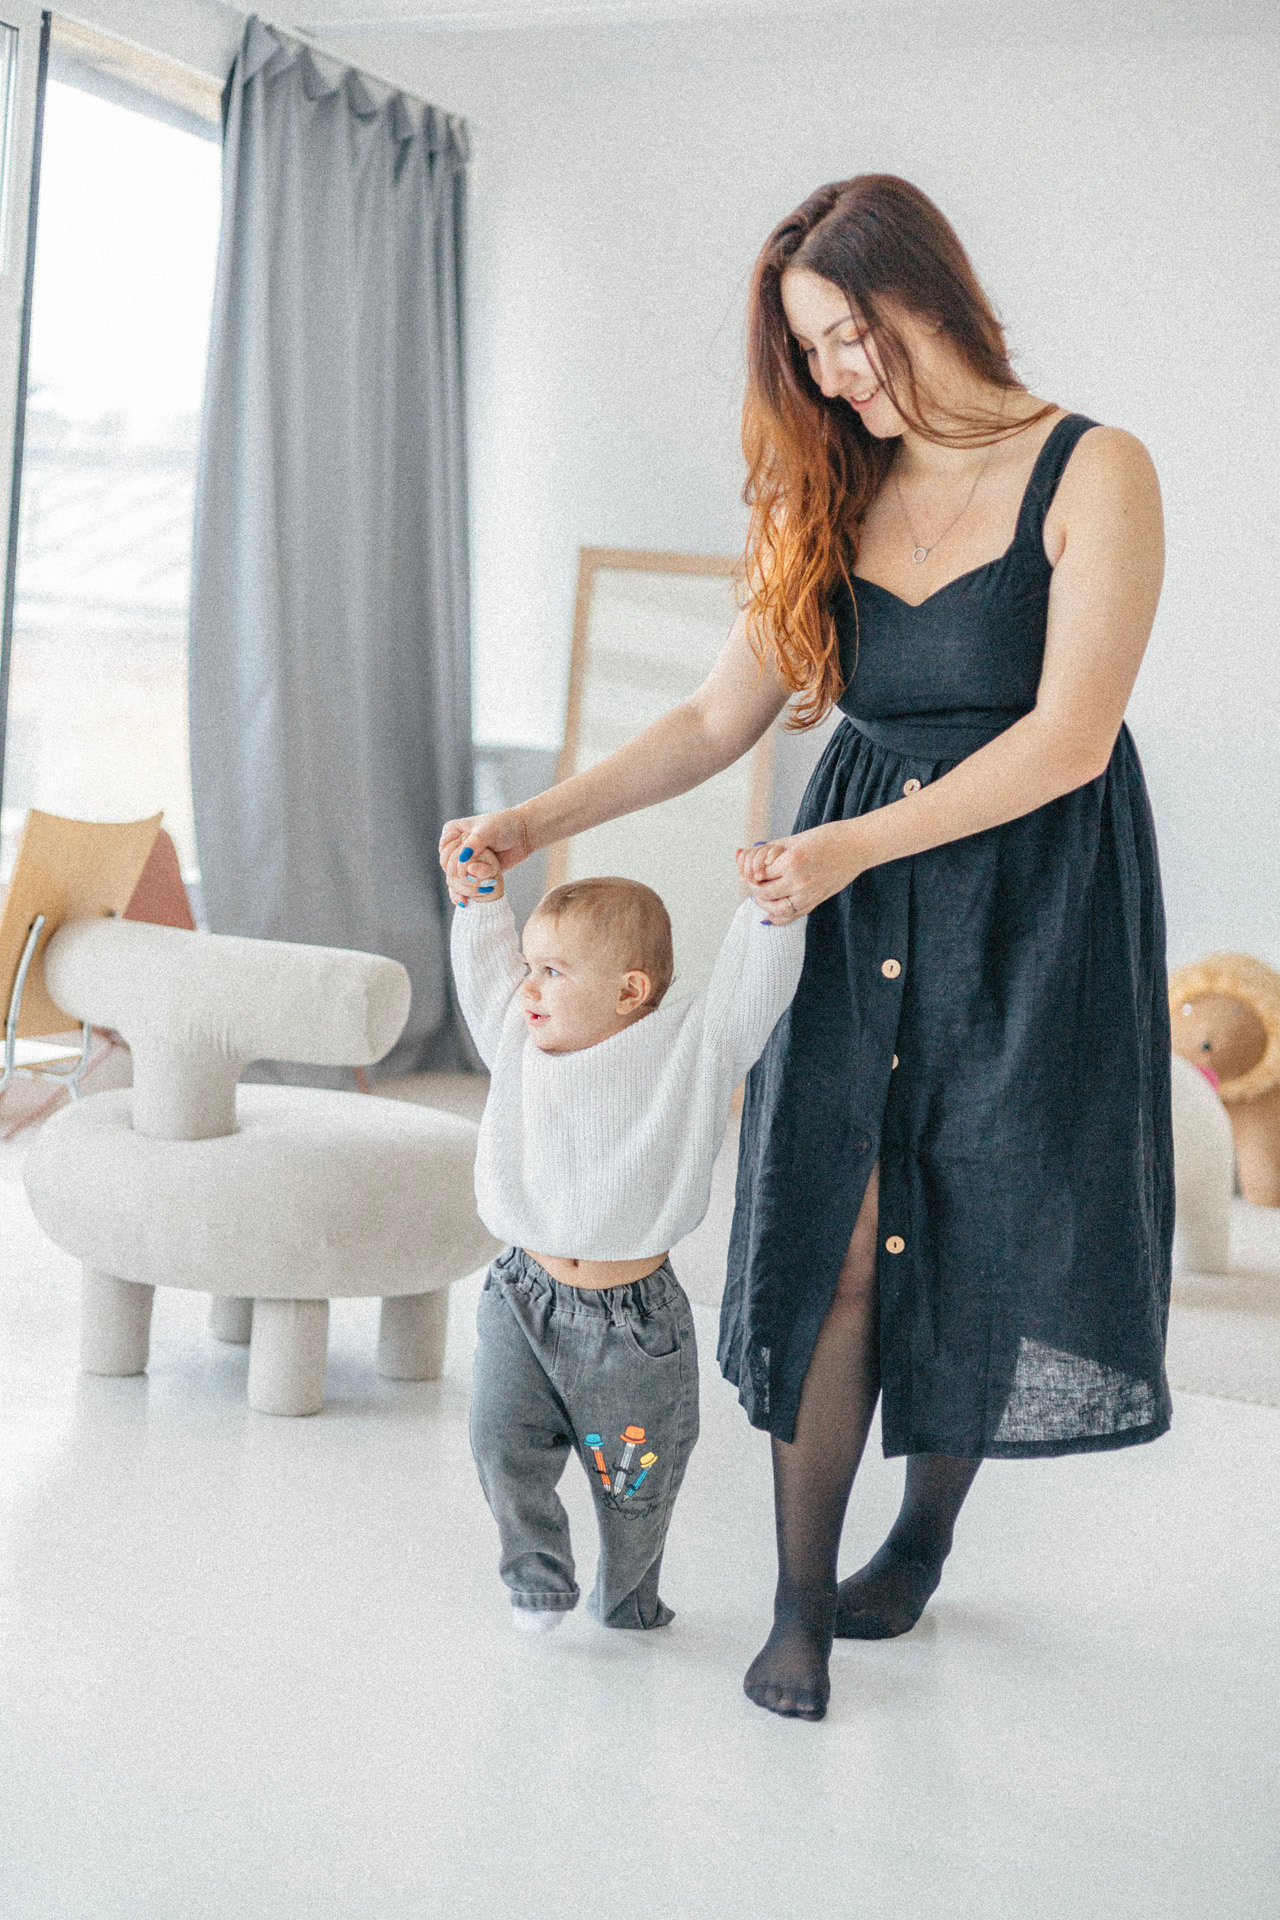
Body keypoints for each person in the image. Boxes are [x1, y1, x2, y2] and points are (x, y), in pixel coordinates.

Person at [441, 174, 1171, 1719]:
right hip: (844, 899)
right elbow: (716, 718)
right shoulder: (827, 490)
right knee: (832, 1230)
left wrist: (850, 846)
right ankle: (797, 1602)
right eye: (812, 351)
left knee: (975, 1226)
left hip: (1028, 889)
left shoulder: (1095, 469)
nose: (837, 375)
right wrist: (532, 821)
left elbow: (1069, 738)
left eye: (853, 334)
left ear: (933, 293)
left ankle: (919, 1543)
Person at [450, 862, 804, 1632]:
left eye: (551, 972)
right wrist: (480, 903)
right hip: (522, 1297)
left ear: (629, 991)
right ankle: (537, 1576)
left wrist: (771, 913)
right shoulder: (517, 1033)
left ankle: (630, 1596)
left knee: (634, 1485)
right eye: (529, 967)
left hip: (634, 1327)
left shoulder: (693, 1049)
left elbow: (754, 993)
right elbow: (483, 979)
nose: (528, 987)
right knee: (499, 1442)